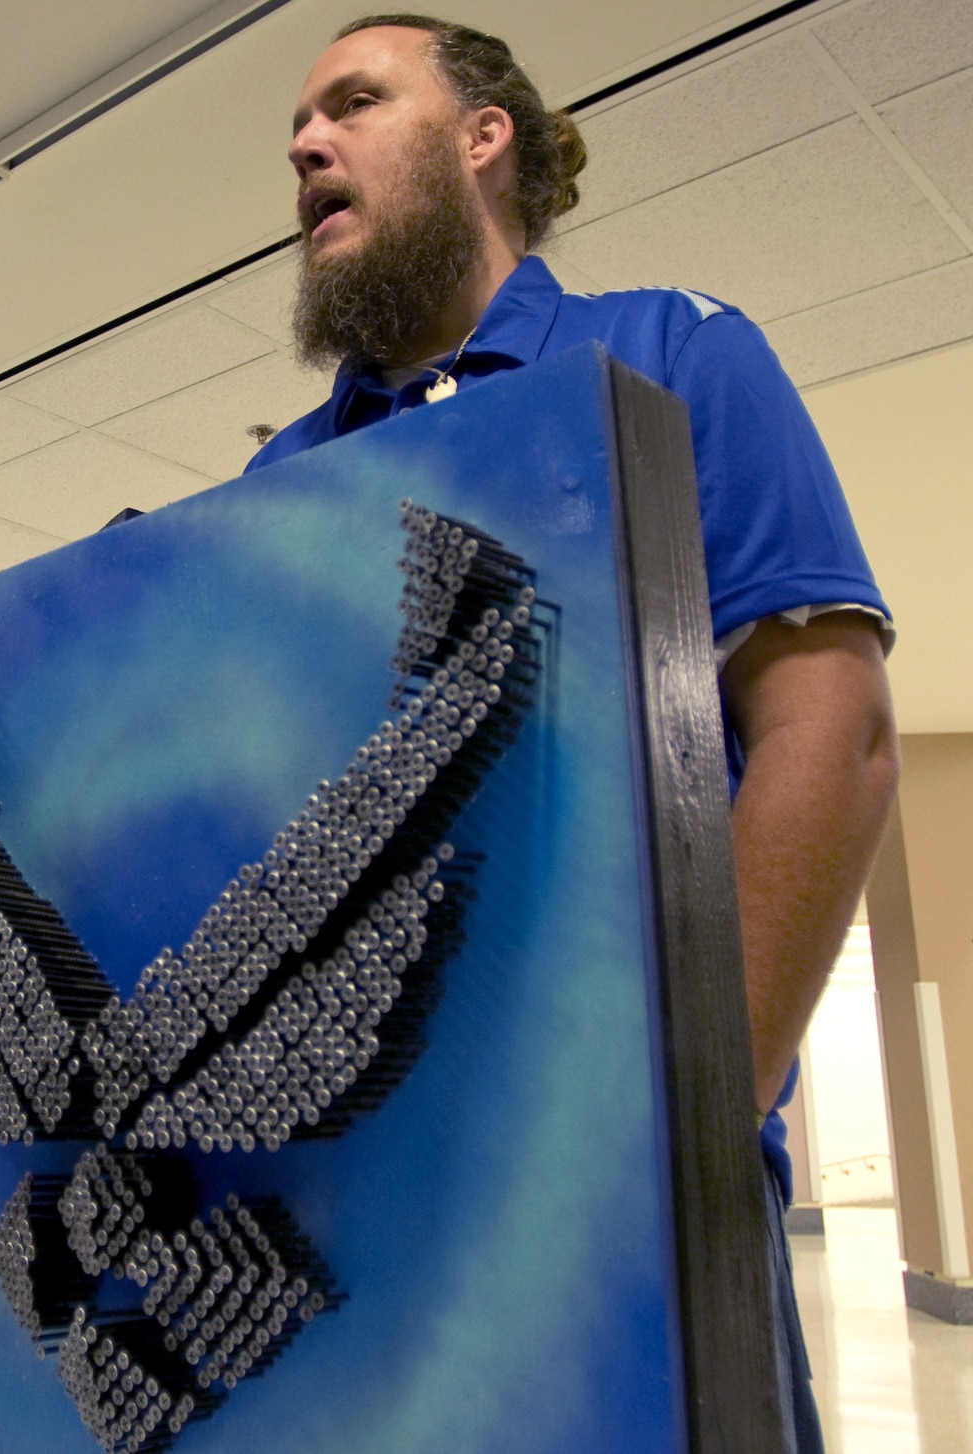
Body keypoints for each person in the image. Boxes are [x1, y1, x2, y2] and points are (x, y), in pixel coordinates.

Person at [247, 16, 900, 1452]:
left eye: (355, 102)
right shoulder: (279, 482)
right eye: (298, 125)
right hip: (344, 1213)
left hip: (628, 1202)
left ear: (484, 138)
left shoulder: (673, 352)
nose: (305, 145)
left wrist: (691, 1124)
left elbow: (828, 726)